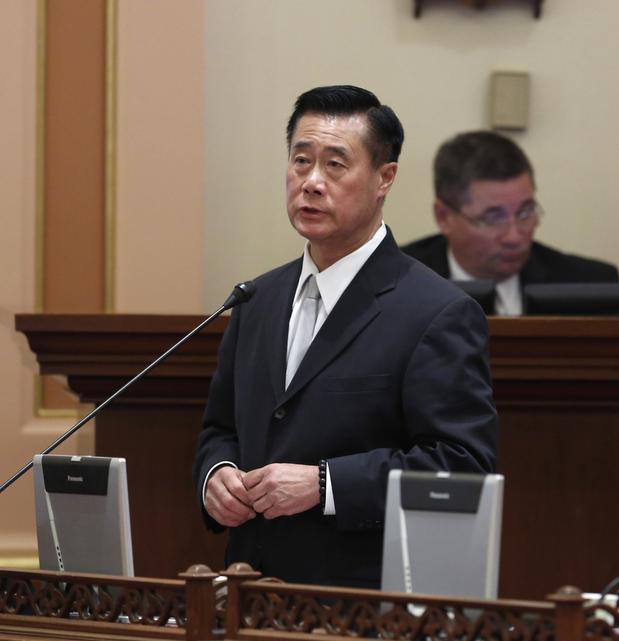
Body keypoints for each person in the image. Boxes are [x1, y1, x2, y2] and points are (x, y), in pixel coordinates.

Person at [192, 85, 498, 588]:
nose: (311, 182)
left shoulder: (437, 312)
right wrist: (216, 475)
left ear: (384, 178)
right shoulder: (255, 300)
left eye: (335, 165)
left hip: (359, 599)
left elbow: (462, 467)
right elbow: (220, 429)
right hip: (248, 589)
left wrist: (325, 484)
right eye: (301, 161)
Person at [400, 130, 619, 315]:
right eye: (493, 218)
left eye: (525, 213)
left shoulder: (589, 286)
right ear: (443, 217)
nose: (514, 237)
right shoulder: (392, 283)